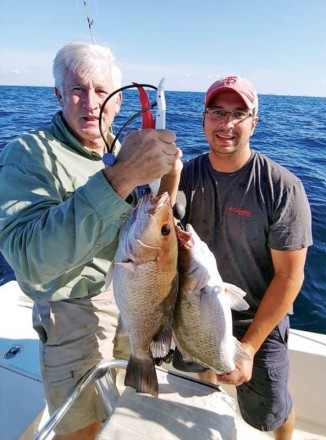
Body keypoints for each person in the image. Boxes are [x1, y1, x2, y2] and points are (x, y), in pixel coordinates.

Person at [0, 42, 181, 440]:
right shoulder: (28, 154)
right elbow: (30, 260)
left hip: (128, 294)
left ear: (117, 102)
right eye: (78, 89)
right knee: (80, 425)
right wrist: (118, 180)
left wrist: (169, 179)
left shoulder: (125, 149)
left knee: (131, 405)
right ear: (59, 94)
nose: (91, 102)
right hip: (70, 309)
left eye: (102, 91)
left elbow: (156, 224)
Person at [176, 75, 313, 439]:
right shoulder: (184, 176)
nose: (227, 124)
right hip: (194, 306)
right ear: (203, 117)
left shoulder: (282, 187)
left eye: (239, 113)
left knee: (271, 412)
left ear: (255, 121)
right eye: (218, 112)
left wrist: (249, 348)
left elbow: (290, 278)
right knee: (201, 381)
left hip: (257, 320)